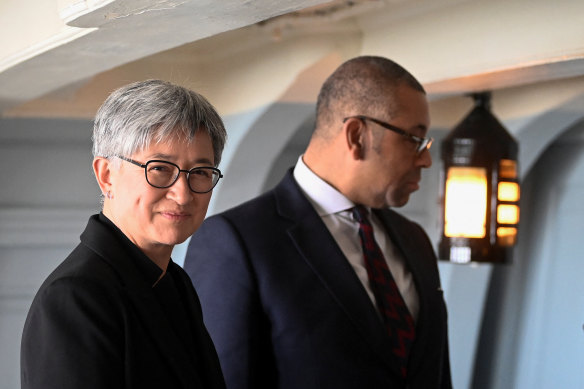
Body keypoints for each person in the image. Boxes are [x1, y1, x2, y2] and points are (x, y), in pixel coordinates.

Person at [184, 56, 452, 389]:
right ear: (357, 136)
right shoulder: (237, 243)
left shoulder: (415, 240)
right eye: (414, 139)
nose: (426, 159)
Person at [21, 80, 227, 389]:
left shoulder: (175, 282)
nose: (183, 195)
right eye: (160, 168)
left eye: (199, 172)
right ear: (106, 176)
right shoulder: (74, 298)